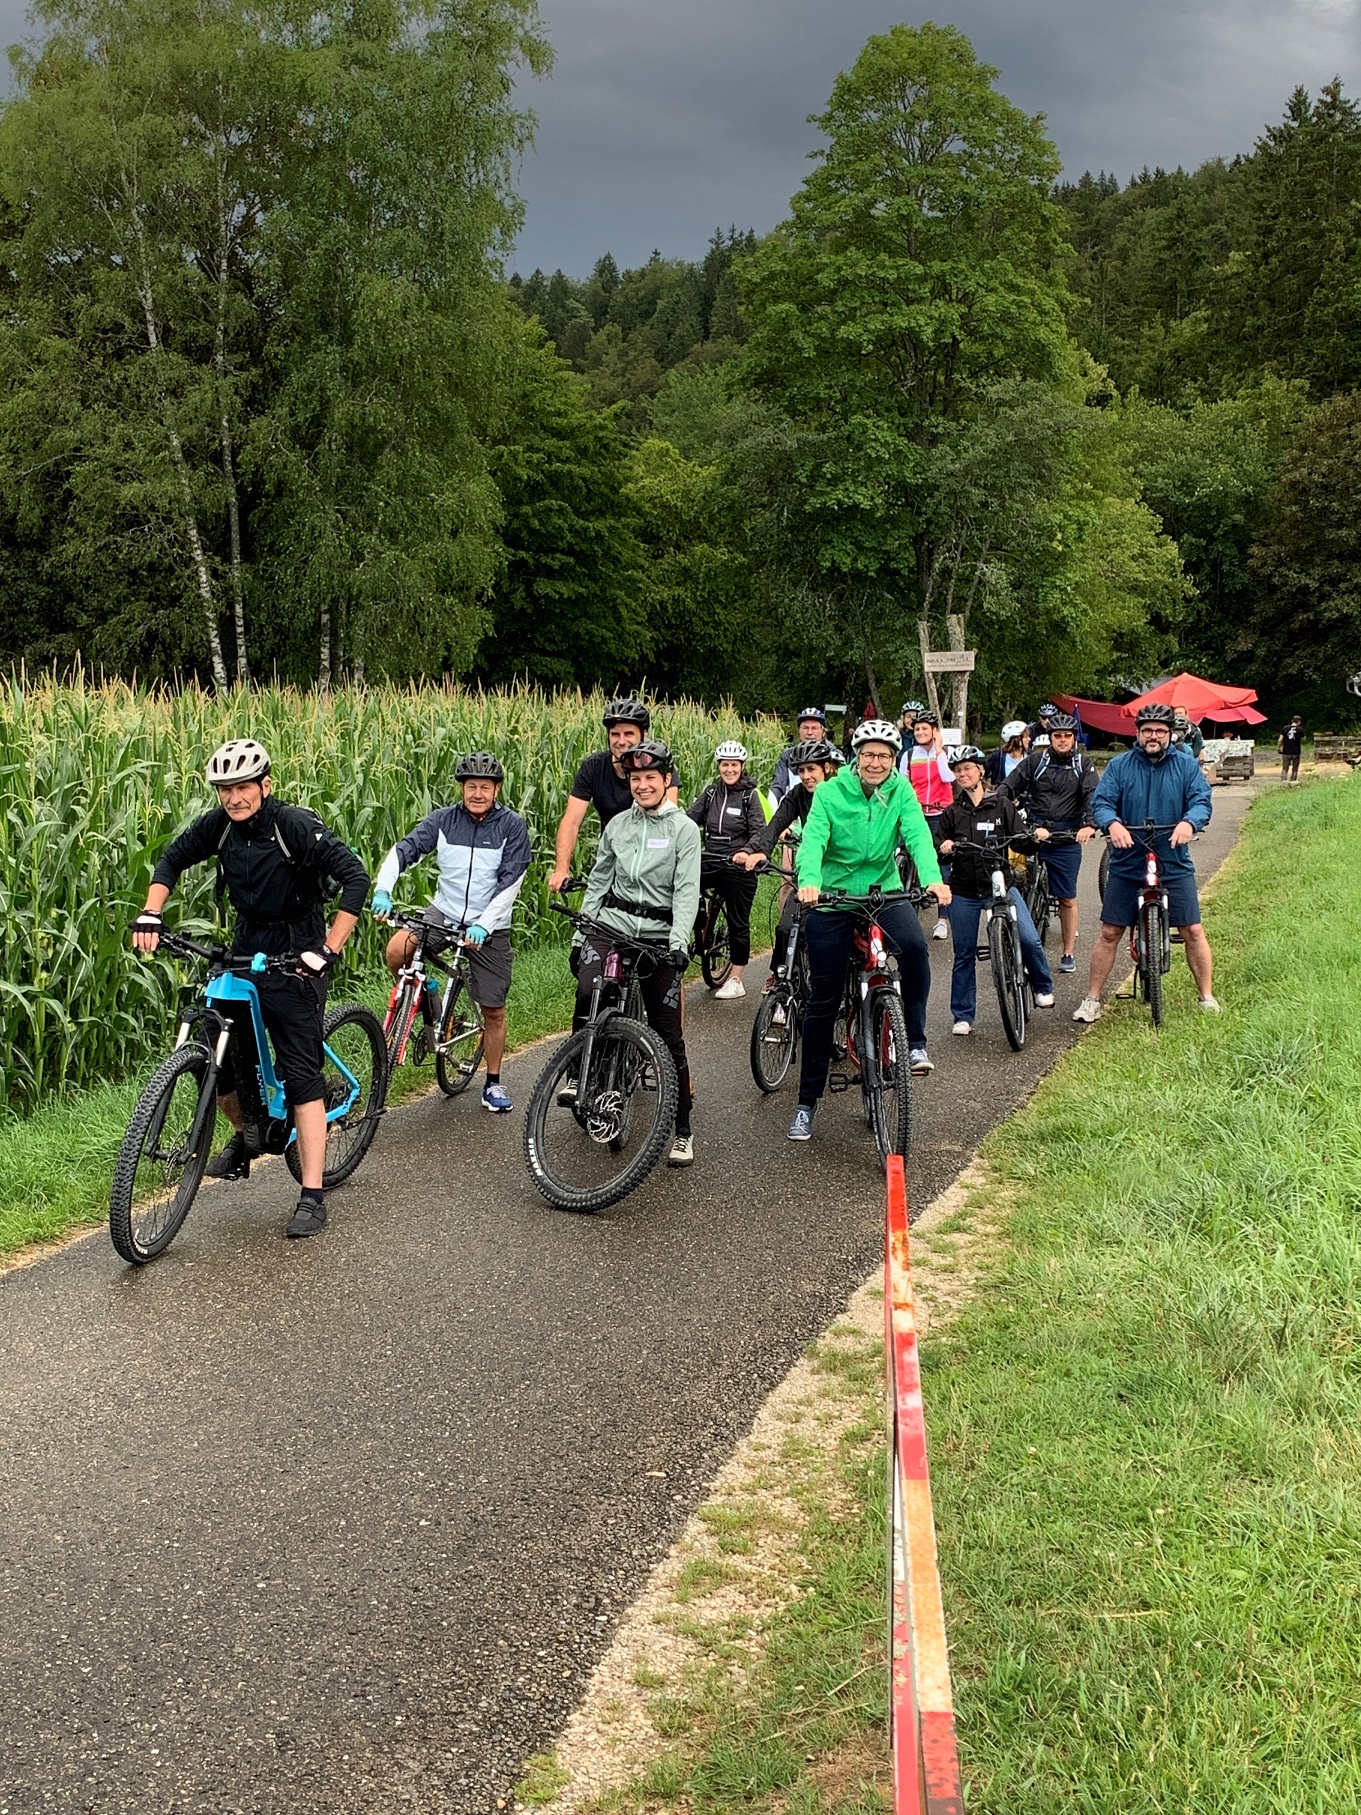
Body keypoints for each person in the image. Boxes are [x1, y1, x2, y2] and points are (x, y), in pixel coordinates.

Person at [130, 738, 369, 1239]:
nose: (234, 798)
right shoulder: (219, 827)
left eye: (242, 787)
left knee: (300, 1072)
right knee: (219, 1051)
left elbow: (354, 878)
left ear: (265, 785)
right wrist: (152, 911)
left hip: (296, 950)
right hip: (246, 944)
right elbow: (171, 859)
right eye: (224, 789)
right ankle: (246, 1134)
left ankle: (311, 1193)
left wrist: (327, 949)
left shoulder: (293, 826)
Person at [787, 720, 950, 1141]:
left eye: (884, 755)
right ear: (856, 757)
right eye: (868, 754)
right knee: (823, 996)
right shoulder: (829, 792)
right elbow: (813, 842)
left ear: (893, 759)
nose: (875, 762)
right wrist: (809, 880)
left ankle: (914, 1039)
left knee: (914, 949)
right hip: (832, 895)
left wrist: (932, 878)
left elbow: (917, 837)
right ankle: (807, 1101)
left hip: (883, 892)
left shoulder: (901, 792)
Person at [371, 751, 531, 1114]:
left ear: (497, 789)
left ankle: (492, 1083)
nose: (478, 793)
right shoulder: (443, 821)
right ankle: (430, 996)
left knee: (493, 1010)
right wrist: (383, 888)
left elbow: (511, 882)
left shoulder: (511, 827)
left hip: (488, 923)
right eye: (471, 786)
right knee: (398, 951)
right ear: (462, 788)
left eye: (485, 787)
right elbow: (405, 850)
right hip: (444, 913)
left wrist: (484, 924)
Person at [573, 740, 702, 1166]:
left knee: (668, 1037)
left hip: (659, 936)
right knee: (590, 989)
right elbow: (599, 880)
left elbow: (687, 892)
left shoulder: (684, 830)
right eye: (635, 779)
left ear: (667, 781)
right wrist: (581, 936)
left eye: (651, 778)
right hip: (612, 926)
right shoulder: (618, 826)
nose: (642, 785)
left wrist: (679, 943)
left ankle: (682, 1129)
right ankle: (585, 1074)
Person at [1072, 702, 1217, 1022]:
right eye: (1147, 730)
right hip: (1127, 856)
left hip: (1173, 854)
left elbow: (1201, 800)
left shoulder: (1185, 765)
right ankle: (1092, 999)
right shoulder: (1121, 766)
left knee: (1193, 929)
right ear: (1137, 733)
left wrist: (1189, 823)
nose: (1154, 736)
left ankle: (1207, 996)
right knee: (1109, 932)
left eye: (1160, 731)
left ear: (1170, 734)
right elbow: (1103, 801)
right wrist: (1112, 824)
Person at [934, 747, 1054, 1033]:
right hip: (963, 890)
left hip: (1000, 886)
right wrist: (945, 848)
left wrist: (1035, 838)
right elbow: (939, 851)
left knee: (1029, 938)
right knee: (963, 953)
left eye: (968, 769)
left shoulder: (1001, 805)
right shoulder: (951, 813)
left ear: (980, 772)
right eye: (958, 770)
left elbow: (1021, 841)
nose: (963, 774)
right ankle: (962, 1015)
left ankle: (1042, 985)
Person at [733, 737, 838, 1000]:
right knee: (785, 928)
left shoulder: (841, 792)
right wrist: (756, 850)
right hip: (809, 875)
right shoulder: (798, 795)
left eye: (811, 769)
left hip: (841, 876)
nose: (805, 776)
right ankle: (782, 978)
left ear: (826, 768)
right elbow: (775, 823)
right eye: (800, 771)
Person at [998, 711, 1098, 975]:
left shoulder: (1082, 765)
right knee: (1021, 886)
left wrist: (1089, 825)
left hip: (1067, 836)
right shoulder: (1036, 761)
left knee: (1066, 899)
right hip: (1035, 832)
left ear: (1074, 738)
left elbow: (1091, 796)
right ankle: (1021, 943)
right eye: (1058, 736)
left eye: (1067, 736)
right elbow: (1010, 786)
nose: (1063, 740)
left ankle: (1067, 952)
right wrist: (998, 806)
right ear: (1050, 738)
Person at [547, 698, 679, 892]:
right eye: (615, 734)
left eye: (629, 734)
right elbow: (571, 821)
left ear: (644, 735)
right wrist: (561, 869)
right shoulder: (593, 767)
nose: (621, 741)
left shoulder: (660, 766)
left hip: (652, 862)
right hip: (612, 856)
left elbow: (667, 822)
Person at [687, 740, 767, 999]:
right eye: (724, 765)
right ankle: (696, 922)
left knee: (737, 921)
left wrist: (746, 852)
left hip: (738, 863)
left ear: (741, 767)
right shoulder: (711, 793)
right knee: (682, 884)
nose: (729, 769)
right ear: (719, 766)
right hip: (711, 858)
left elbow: (759, 830)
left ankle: (736, 978)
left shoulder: (750, 796)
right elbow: (690, 821)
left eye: (734, 765)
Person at [900, 710, 954, 937]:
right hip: (916, 813)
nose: (920, 732)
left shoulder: (946, 753)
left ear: (935, 731)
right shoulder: (909, 755)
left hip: (940, 814)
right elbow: (901, 785)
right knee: (902, 854)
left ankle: (942, 919)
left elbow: (947, 777)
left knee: (941, 865)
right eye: (917, 729)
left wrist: (939, 751)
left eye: (925, 728)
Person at [769, 706, 831, 806]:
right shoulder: (788, 755)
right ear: (799, 730)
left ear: (823, 732)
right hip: (795, 807)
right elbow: (778, 787)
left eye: (814, 728)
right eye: (805, 728)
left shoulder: (834, 754)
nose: (809, 732)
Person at [984, 720, 1030, 786]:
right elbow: (983, 774)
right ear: (1017, 739)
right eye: (1026, 737)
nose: (1029, 739)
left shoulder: (1031, 756)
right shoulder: (998, 757)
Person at [1278, 714, 1304, 784]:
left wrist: (1279, 747)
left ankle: (1283, 781)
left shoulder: (1285, 728)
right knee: (1295, 768)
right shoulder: (1300, 729)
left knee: (1285, 768)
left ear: (1292, 720)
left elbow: (1280, 739)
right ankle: (1293, 781)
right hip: (1296, 752)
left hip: (1286, 752)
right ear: (1299, 722)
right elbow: (1304, 738)